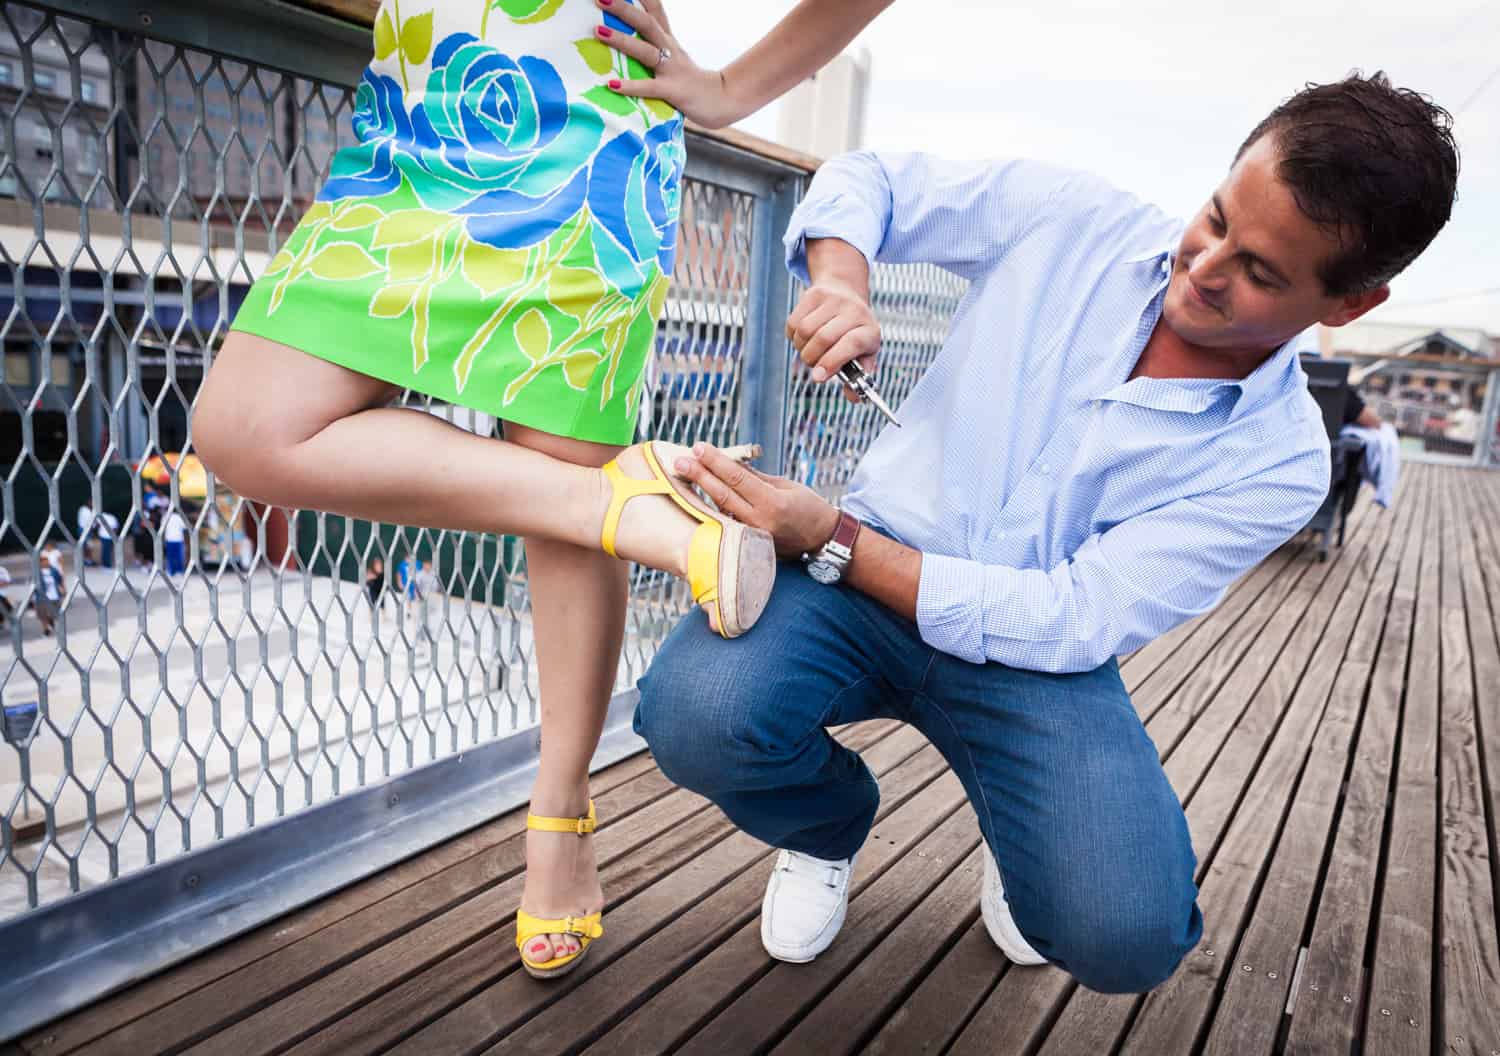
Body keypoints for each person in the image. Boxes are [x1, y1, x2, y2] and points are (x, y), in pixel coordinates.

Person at [634, 73, 1459, 992]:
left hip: (1029, 654)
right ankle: (825, 829)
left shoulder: (1283, 461)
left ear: (1350, 306)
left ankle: (1023, 843)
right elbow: (871, 181)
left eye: (1260, 272)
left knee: (1126, 934)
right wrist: (841, 281)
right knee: (692, 716)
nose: (1203, 267)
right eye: (1216, 218)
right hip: (851, 587)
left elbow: (1073, 619)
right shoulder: (1078, 219)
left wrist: (833, 538)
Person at [192, 0, 900, 979]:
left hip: (585, 139)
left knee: (559, 504)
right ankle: (625, 503)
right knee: (244, 428)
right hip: (408, 125)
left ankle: (560, 811)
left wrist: (728, 91)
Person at [162, 507, 189, 576]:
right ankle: (179, 571)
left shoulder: (165, 516)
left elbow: (163, 529)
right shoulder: (180, 517)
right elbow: (185, 529)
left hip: (169, 539)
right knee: (179, 556)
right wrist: (186, 541)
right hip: (178, 539)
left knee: (170, 556)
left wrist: (163, 539)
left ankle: (171, 571)